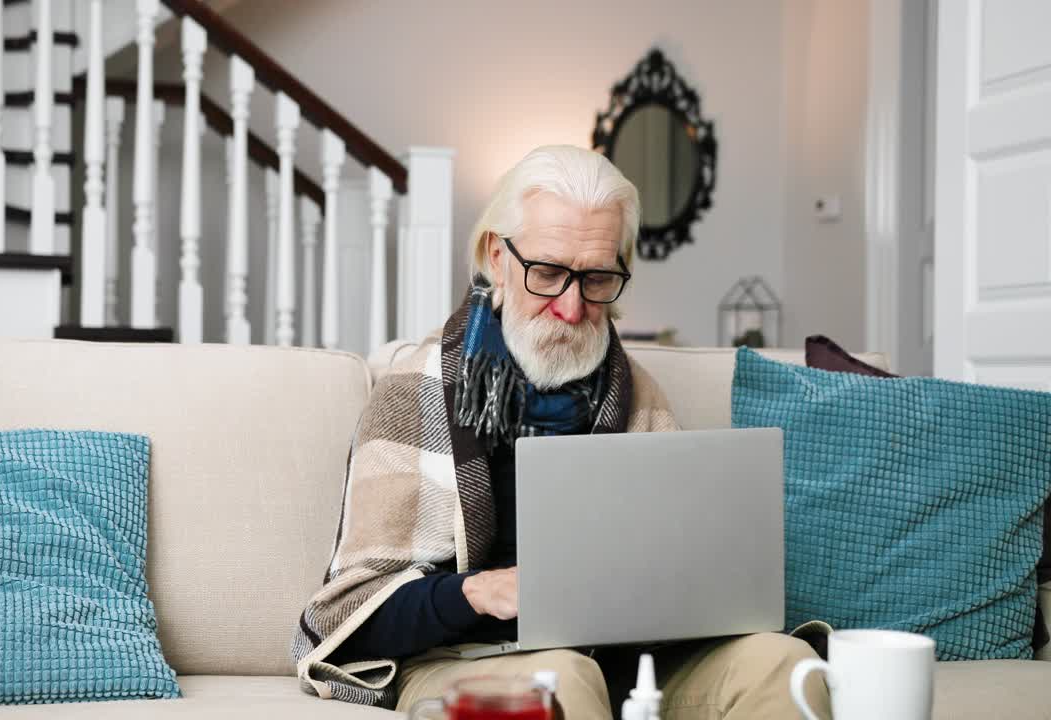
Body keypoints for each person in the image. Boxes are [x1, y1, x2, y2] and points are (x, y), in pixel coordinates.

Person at [291, 145, 829, 719]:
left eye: (597, 278)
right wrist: (478, 591)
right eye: (547, 273)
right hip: (464, 660)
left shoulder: (638, 394)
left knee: (786, 662)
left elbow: (685, 574)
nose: (572, 308)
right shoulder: (412, 390)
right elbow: (347, 614)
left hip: (628, 661)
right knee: (561, 676)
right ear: (496, 257)